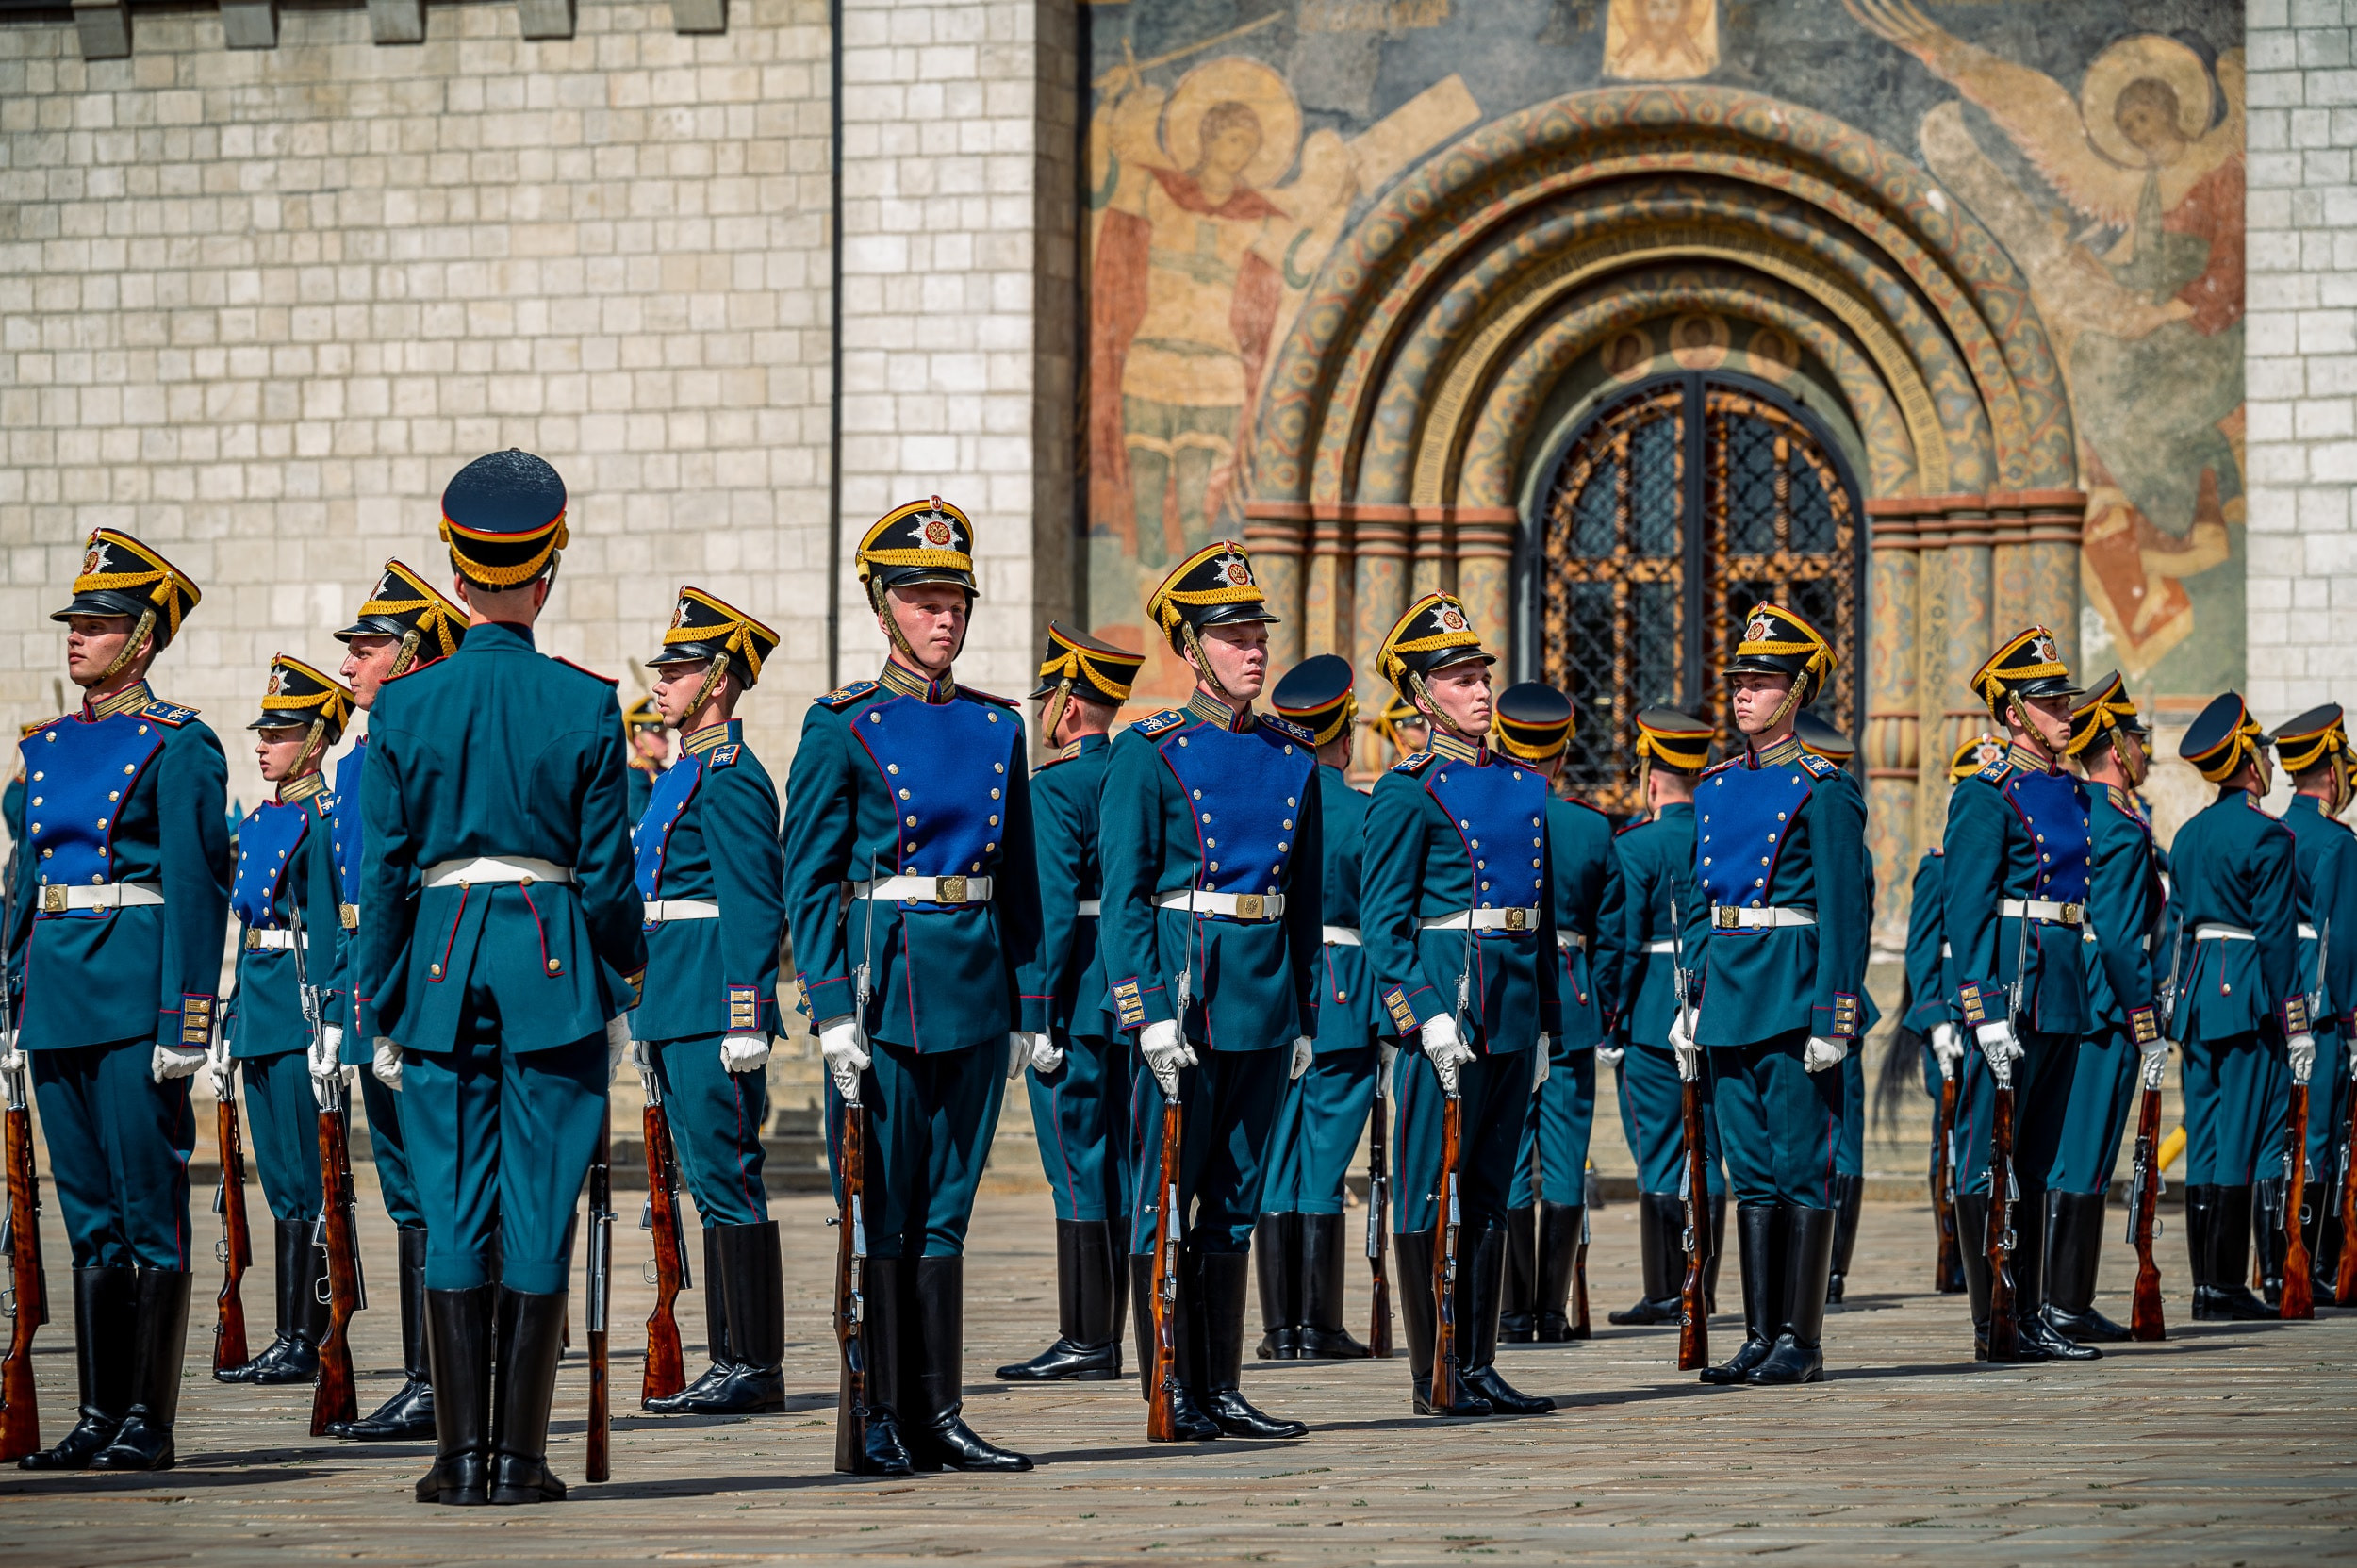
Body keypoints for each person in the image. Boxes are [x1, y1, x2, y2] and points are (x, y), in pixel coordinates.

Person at [357, 450, 646, 1506]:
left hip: (434, 962)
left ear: (455, 563)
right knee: (538, 1205)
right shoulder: (582, 701)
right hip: (551, 956)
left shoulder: (404, 703)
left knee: (449, 1200)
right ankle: (518, 1458)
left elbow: (383, 871)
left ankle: (455, 1456)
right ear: (548, 565)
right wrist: (625, 974)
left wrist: (379, 1002)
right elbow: (610, 875)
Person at [783, 496, 1044, 1476]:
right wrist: (832, 1012)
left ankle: (939, 1411)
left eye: (955, 601)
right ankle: (879, 1411)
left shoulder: (994, 727)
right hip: (885, 984)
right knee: (883, 1208)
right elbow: (807, 877)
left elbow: (1018, 881)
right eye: (924, 599)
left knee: (946, 1209)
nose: (944, 618)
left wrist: (1028, 1002)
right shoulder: (842, 726)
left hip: (973, 984)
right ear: (883, 608)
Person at [8, 530, 228, 1473]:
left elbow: (198, 885)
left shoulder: (180, 745)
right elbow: (25, 885)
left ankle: (149, 1418)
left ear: (140, 641)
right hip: (56, 991)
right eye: (74, 623)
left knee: (148, 1205)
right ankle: (97, 1413)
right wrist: (8, 1004)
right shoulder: (45, 748)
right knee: (84, 1208)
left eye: (95, 625)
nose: (75, 638)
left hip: (134, 991)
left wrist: (189, 1020)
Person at [1097, 539, 1319, 1443]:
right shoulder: (1149, 753)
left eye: (1257, 631)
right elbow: (1123, 900)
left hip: (1261, 998)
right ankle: (1170, 1384)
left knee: (1233, 1193)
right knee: (1167, 1189)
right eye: (1231, 634)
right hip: (1184, 1000)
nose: (1253, 647)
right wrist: (1143, 1013)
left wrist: (1303, 1008)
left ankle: (1221, 1386)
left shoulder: (1290, 755)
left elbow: (1300, 902)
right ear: (1190, 650)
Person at [1360, 592, 1557, 1419]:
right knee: (1425, 1193)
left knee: (1490, 1188)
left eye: (1481, 676)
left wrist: (1548, 1020)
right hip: (1449, 1005)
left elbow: (1537, 914)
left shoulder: (1524, 783)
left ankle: (1479, 1362)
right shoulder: (1408, 790)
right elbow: (1383, 921)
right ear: (1419, 695)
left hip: (1509, 1006)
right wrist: (1424, 1012)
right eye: (1460, 679)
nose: (1480, 692)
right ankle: (1431, 1369)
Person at [1680, 602, 1866, 1387]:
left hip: (1792, 989)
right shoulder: (1717, 787)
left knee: (1800, 1168)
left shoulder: (1823, 787)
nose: (1742, 694)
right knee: (1748, 1170)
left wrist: (1836, 1013)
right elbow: (1698, 898)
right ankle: (1758, 1334)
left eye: (1760, 683)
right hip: (1729, 987)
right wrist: (1689, 996)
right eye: (1739, 682)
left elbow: (1845, 910)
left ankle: (1801, 1336)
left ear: (1797, 693)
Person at [632, 587, 788, 1416]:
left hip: (709, 1006)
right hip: (672, 999)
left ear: (720, 680)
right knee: (702, 1180)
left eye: (681, 668)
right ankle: (730, 1355)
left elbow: (754, 900)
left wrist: (747, 1010)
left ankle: (752, 1362)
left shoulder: (731, 776)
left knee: (729, 1180)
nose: (664, 681)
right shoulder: (681, 771)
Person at [323, 557, 468, 1443]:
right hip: (370, 994)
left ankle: (440, 1378)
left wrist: (396, 1007)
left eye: (369, 648)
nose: (351, 664)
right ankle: (424, 1375)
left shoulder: (427, 751)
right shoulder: (355, 762)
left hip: (420, 995)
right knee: (407, 1195)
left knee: (438, 1191)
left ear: (411, 659)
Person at [1943, 626, 2100, 1363]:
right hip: (2014, 987)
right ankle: (1991, 1321)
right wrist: (1981, 1010)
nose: (2066, 714)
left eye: (2065, 700)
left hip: (2062, 984)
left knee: (2037, 1161)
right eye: (2050, 703)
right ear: (2013, 712)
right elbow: (1966, 908)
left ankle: (2031, 1313)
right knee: (1987, 1158)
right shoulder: (1986, 796)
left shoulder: (2071, 792)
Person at [997, 622, 1147, 1384]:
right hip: (1125, 999)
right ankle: (1109, 1331)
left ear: (1067, 706)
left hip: (1073, 1002)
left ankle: (1089, 1337)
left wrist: (1035, 1012)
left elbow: (1051, 910)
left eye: (1049, 699)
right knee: (1118, 1163)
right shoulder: (1128, 771)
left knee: (1077, 1165)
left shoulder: (1055, 787)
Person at [215, 655, 354, 1388]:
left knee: (310, 1180)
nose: (264, 741)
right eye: (264, 729)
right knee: (277, 1183)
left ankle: (313, 1334)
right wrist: (226, 1019)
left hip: (302, 1014)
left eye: (282, 730)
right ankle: (288, 1330)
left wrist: (332, 1017)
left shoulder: (322, 819)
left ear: (317, 738)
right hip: (260, 1009)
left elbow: (330, 928)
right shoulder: (263, 819)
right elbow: (247, 927)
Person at [2169, 694, 2312, 1321]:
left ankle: (2206, 1283)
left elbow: (2174, 927)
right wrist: (2296, 1019)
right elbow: (2278, 939)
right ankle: (2226, 1284)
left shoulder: (2188, 833)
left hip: (2198, 992)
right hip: (2249, 992)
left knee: (2203, 1133)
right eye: (2261, 753)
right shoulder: (2266, 834)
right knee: (2244, 1135)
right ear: (2248, 763)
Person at [1254, 653, 1379, 1362]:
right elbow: (1381, 911)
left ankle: (1279, 1329)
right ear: (1344, 732)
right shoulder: (1364, 810)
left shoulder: (1271, 801)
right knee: (1326, 1162)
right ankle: (1320, 1325)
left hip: (1277, 986)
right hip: (1346, 989)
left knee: (1275, 1160)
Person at [1497, 683, 1622, 1343]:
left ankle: (1515, 1310)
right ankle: (1551, 1308)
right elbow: (1614, 934)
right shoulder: (1592, 826)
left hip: (1512, 997)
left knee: (1515, 1153)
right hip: (1572, 1001)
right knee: (1567, 1155)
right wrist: (1596, 997)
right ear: (1562, 753)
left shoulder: (1490, 815)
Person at [2047, 673, 2165, 1342]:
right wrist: (2145, 1018)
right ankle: (2064, 1301)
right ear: (2117, 747)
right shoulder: (2117, 822)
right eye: (2138, 738)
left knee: (2070, 1152)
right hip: (2105, 1002)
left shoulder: (2076, 808)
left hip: (2076, 993)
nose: (2145, 750)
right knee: (2086, 1154)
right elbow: (2121, 935)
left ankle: (2062, 1298)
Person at [1606, 707, 1725, 1328]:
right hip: (1722, 1010)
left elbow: (1625, 945)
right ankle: (1701, 1285)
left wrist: (1611, 1017)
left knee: (1659, 1150)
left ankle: (1664, 1291)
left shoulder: (1639, 844)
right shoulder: (1726, 831)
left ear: (1651, 777)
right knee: (1707, 1152)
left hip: (1654, 1015)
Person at [1893, 732, 2007, 1298]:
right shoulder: (1937, 865)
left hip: (1990, 1007)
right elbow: (1921, 950)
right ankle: (1955, 1247)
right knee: (1953, 1136)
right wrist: (1937, 1020)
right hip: (1953, 1018)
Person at [2266, 705, 2357, 1297]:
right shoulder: (2337, 842)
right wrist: (2349, 1022)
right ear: (2331, 768)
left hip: (2273, 1000)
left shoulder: (2275, 830)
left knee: (2280, 1135)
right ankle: (2316, 1267)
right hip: (2321, 1009)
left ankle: (2275, 1265)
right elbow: (2341, 943)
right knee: (2320, 1137)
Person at [1793, 709, 1874, 1304]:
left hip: (1823, 999)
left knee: (1837, 1139)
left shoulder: (1830, 809)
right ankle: (1827, 1271)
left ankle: (1830, 1270)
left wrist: (1836, 1014)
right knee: (1832, 1139)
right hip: (1808, 995)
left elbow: (1848, 922)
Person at [623, 695, 670, 822]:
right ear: (639, 740)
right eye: (659, 735)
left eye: (665, 734)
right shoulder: (632, 776)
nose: (667, 741)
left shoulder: (665, 772)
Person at [1373, 696, 1429, 765]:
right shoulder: (1397, 772)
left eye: (1423, 725)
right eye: (1418, 727)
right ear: (1400, 736)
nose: (1425, 730)